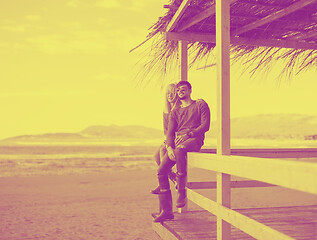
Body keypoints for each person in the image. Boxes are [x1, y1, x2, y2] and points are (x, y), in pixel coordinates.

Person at [153, 81, 211, 222]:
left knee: (181, 149)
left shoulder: (200, 104)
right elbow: (170, 133)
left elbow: (206, 126)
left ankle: (181, 190)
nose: (180, 91)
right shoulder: (175, 112)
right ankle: (167, 211)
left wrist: (189, 134)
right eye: (178, 90)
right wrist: (169, 147)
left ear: (190, 90)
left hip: (194, 140)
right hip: (178, 143)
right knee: (161, 171)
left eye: (183, 89)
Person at [151, 83, 180, 194]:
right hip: (169, 138)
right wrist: (166, 140)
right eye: (168, 93)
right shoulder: (166, 110)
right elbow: (165, 129)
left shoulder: (179, 108)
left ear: (176, 94)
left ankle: (162, 183)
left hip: (177, 138)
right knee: (155, 156)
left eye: (172, 93)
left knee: (163, 150)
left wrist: (169, 143)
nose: (170, 95)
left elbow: (179, 128)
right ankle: (172, 177)